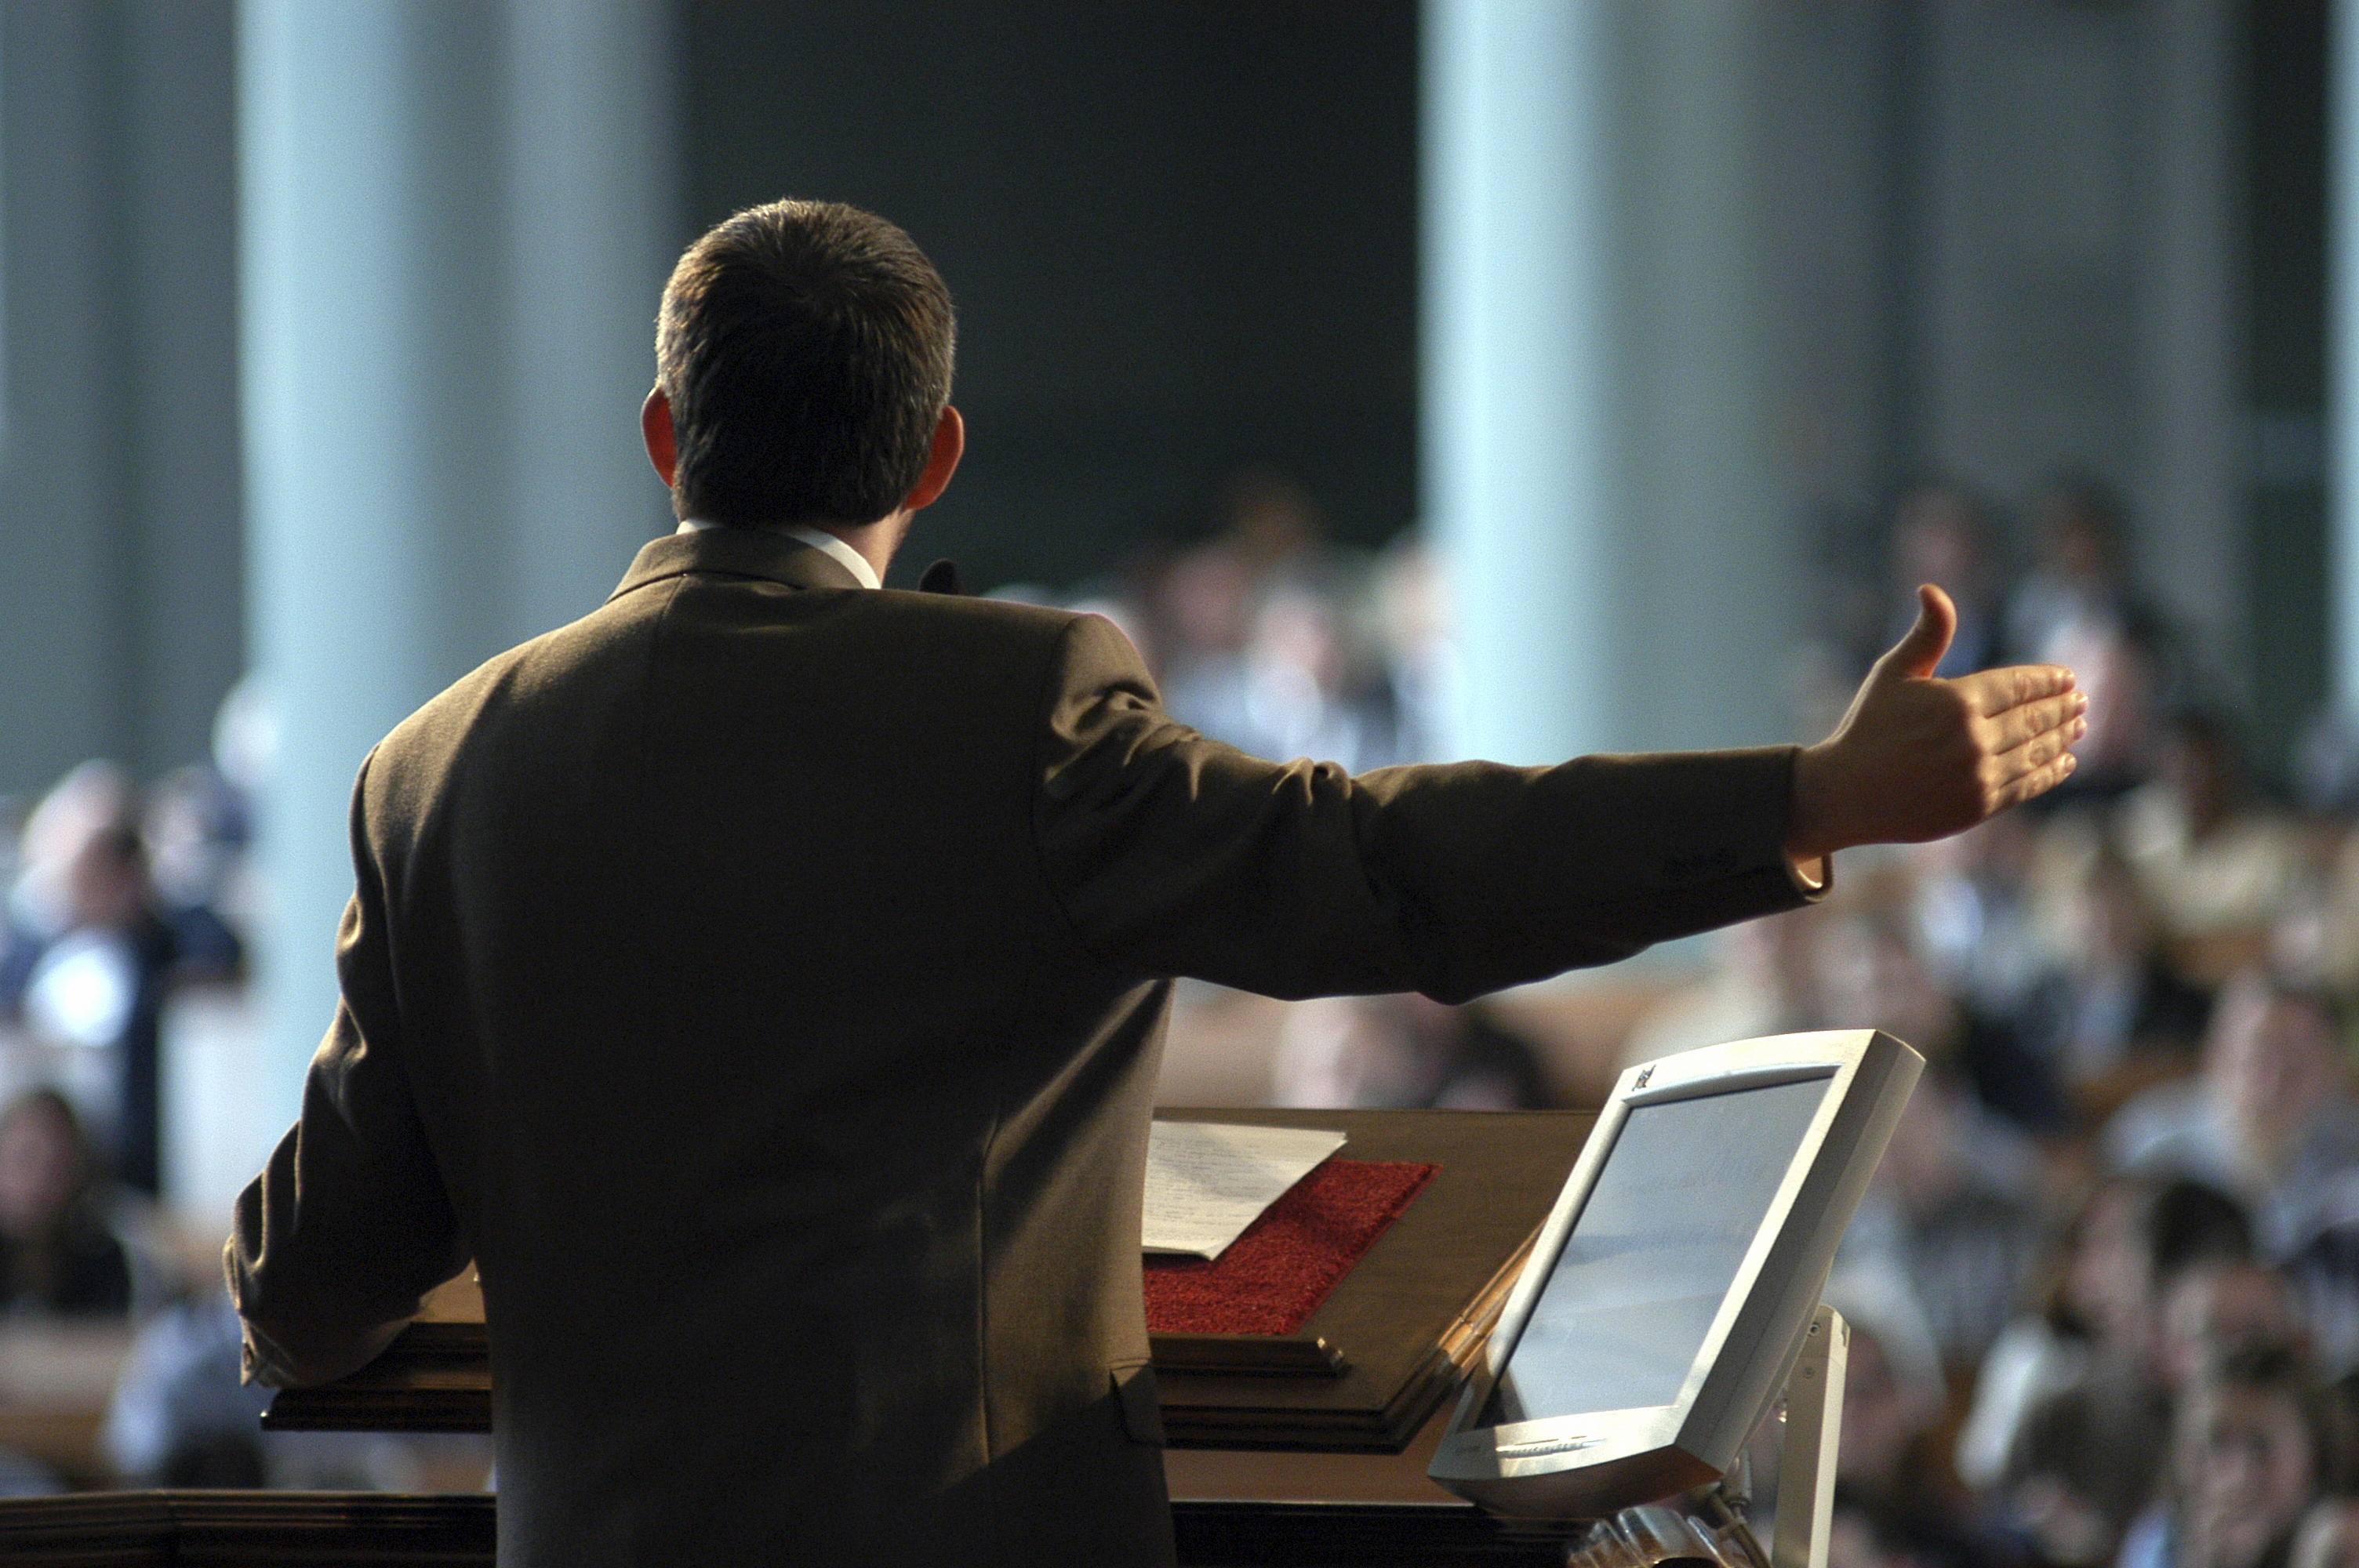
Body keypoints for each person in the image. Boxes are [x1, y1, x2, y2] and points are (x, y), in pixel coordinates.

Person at [224, 200, 2086, 1566]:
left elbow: (311, 1285)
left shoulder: (437, 768)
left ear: (663, 437)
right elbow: (1389, 872)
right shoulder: (1017, 709)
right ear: (937, 458)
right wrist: (1803, 794)